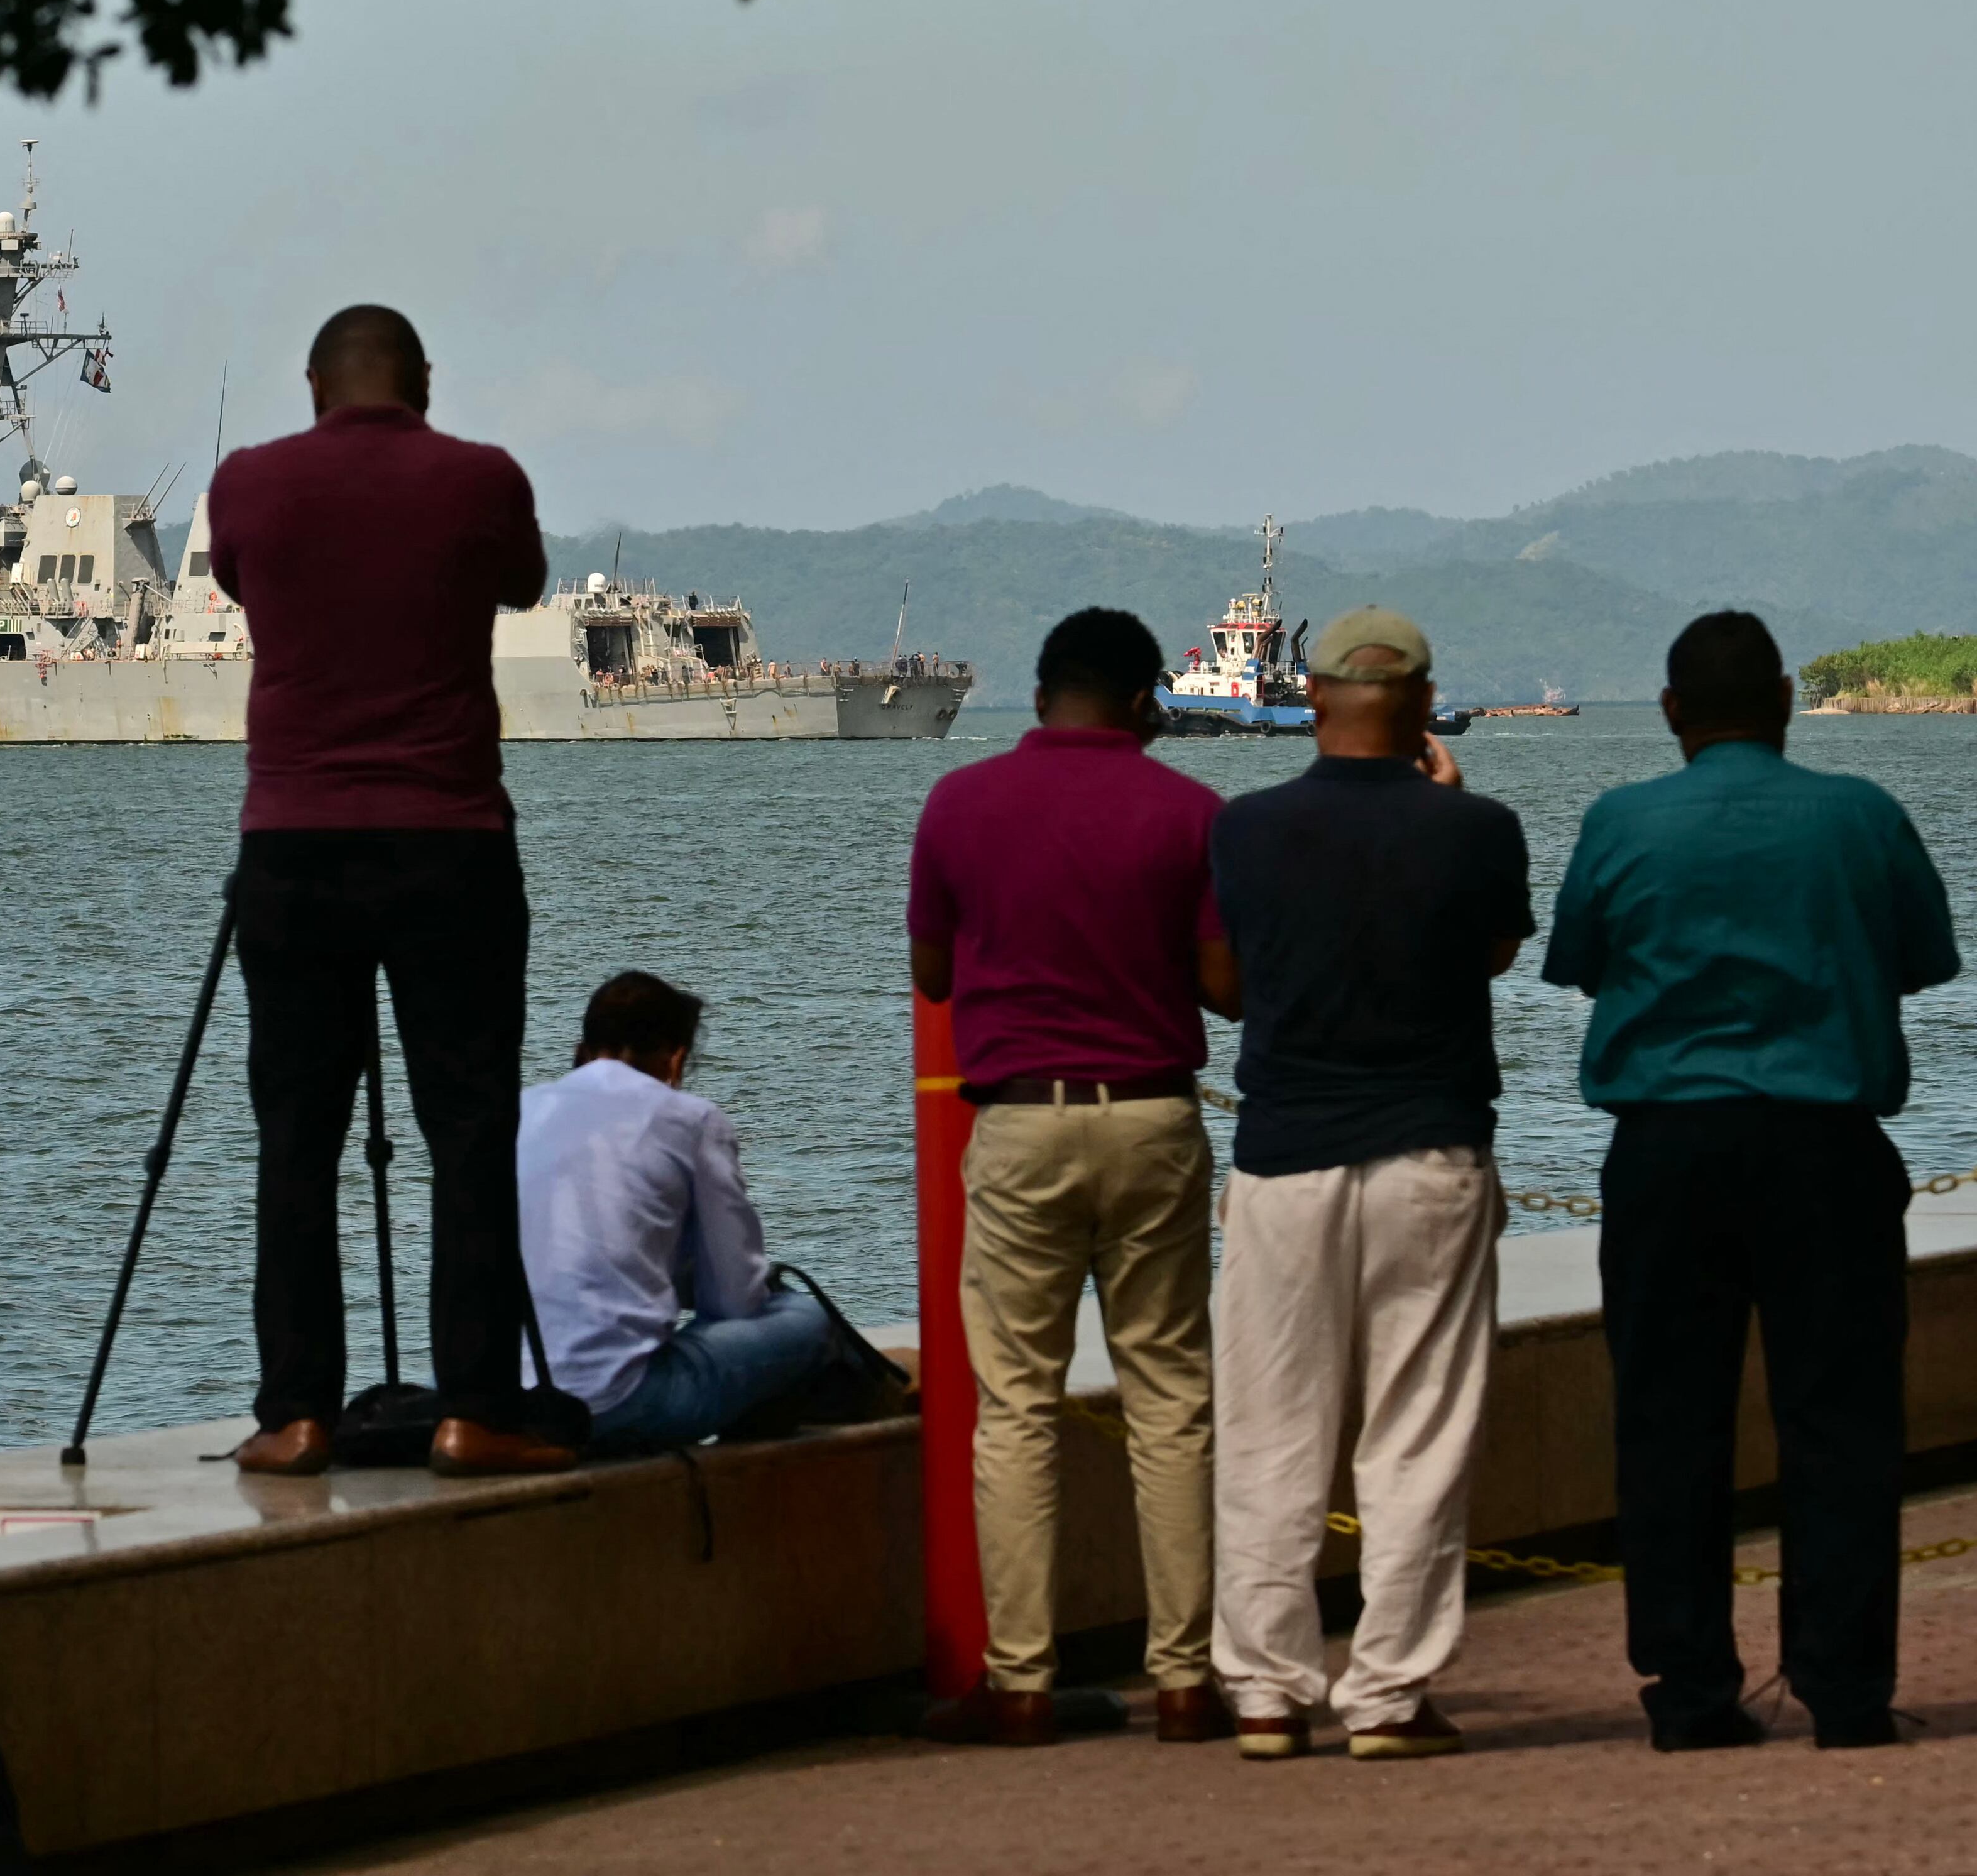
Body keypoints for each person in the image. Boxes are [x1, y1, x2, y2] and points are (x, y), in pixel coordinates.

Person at [1545, 612, 1958, 1753]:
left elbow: (1573, 959)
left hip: (1666, 1153)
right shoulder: (1860, 816)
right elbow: (1926, 957)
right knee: (1840, 1422)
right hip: (1826, 1150)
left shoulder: (1618, 819)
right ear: (1782, 700)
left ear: (1670, 710)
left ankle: (1688, 1692)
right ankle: (1845, 1692)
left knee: (1667, 1423)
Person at [206, 304, 570, 1479]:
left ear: (313, 385)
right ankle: (473, 1408)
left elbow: (243, 581)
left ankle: (297, 1412)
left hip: (294, 842)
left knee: (294, 1136)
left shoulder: (250, 482)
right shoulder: (481, 480)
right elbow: (522, 585)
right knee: (467, 1130)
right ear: (422, 382)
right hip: (447, 838)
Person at [906, 608, 1240, 1748]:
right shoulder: (1192, 811)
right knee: (1172, 1400)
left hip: (1020, 1126)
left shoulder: (958, 805)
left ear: (1042, 690)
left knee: (1015, 1409)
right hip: (1152, 1117)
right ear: (1146, 696)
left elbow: (930, 970)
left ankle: (1021, 1681)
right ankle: (1188, 1679)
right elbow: (1222, 985)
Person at [1205, 607, 1533, 1762]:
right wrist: (1442, 805)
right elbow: (1490, 953)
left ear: (1308, 698)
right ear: (1422, 700)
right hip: (1430, 1153)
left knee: (1266, 1431)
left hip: (1283, 1160)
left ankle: (1261, 1691)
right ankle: (1387, 1695)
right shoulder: (1478, 828)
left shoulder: (1241, 831)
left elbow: (1222, 985)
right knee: (1417, 1433)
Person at [517, 974, 834, 1454]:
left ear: (582, 1050)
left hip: (500, 1406)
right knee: (803, 1314)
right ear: (676, 1058)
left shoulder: (520, 1111)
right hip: (612, 1406)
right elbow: (733, 1299)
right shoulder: (692, 1119)